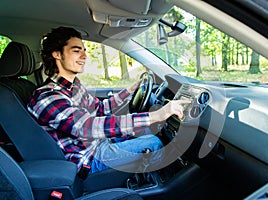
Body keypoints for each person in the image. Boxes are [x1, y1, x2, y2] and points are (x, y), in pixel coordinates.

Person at [27, 26, 189, 175]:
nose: (84, 55)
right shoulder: (47, 97)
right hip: (86, 157)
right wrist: (156, 116)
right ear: (57, 54)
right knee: (153, 142)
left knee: (146, 131)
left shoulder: (73, 86)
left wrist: (130, 90)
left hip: (97, 143)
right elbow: (87, 127)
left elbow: (99, 108)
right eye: (76, 51)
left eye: (84, 50)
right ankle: (155, 186)